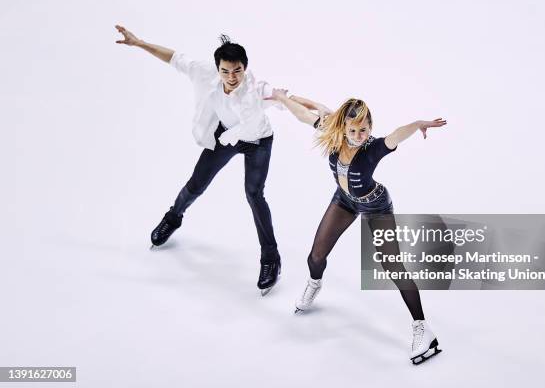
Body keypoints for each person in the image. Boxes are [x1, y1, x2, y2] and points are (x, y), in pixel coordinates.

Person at [269, 89, 447, 364]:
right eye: (354, 130)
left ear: (370, 128)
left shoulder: (372, 148)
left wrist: (418, 124)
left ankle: (423, 328)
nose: (359, 135)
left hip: (375, 204)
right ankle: (314, 284)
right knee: (315, 256)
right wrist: (282, 98)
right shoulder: (332, 132)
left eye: (364, 130)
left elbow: (397, 134)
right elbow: (307, 112)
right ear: (343, 127)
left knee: (392, 266)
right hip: (344, 201)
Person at [115, 25, 284, 295]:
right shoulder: (204, 73)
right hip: (224, 135)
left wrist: (320, 114)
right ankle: (172, 218)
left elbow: (287, 100)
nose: (232, 77)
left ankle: (271, 259)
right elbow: (174, 58)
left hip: (257, 142)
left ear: (245, 68)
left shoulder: (257, 89)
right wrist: (139, 43)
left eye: (237, 70)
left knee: (254, 194)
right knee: (197, 182)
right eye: (226, 71)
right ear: (217, 69)